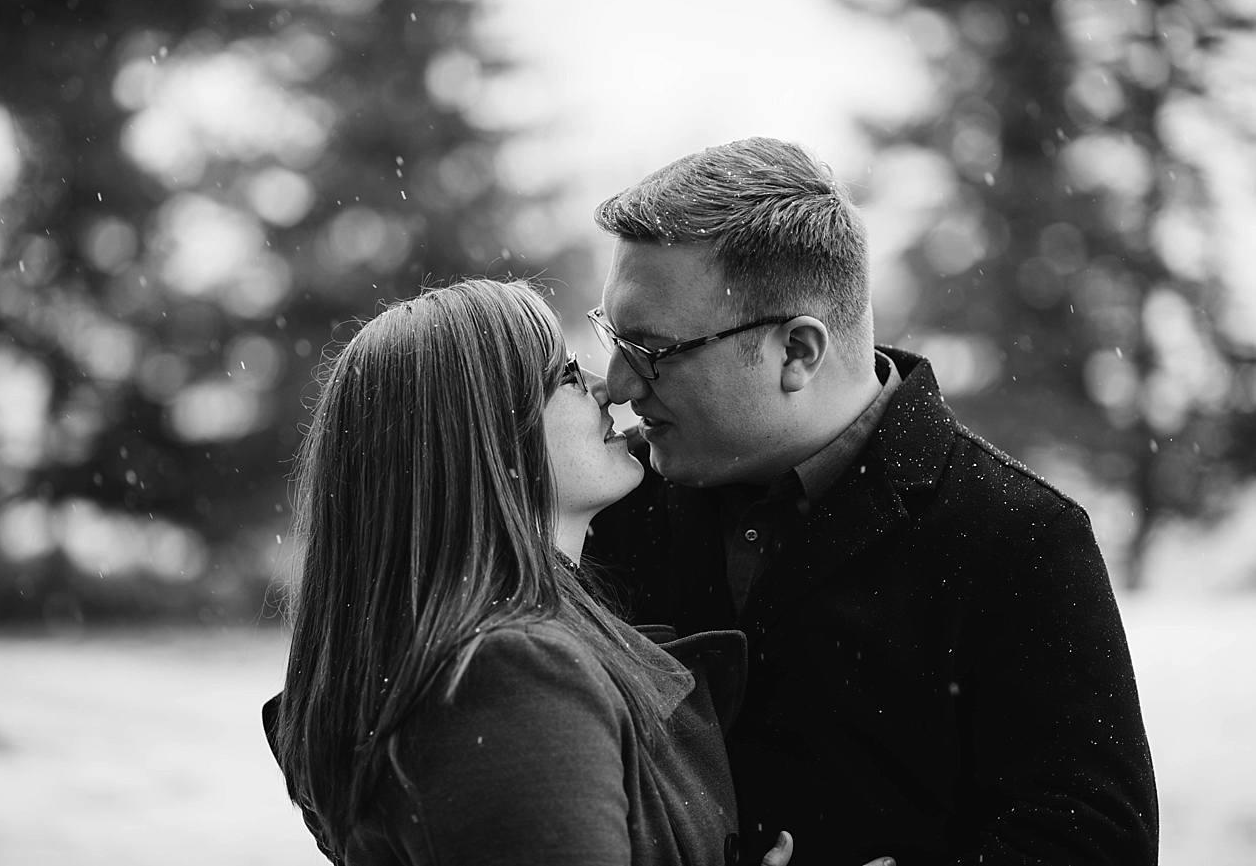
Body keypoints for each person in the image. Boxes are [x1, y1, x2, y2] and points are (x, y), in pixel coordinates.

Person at [584, 137, 1159, 866]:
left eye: (652, 351)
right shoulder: (606, 505)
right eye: (612, 334)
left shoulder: (1022, 538)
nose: (618, 383)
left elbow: (1097, 841)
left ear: (798, 351)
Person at [261, 279, 832, 866]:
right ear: (484, 437)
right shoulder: (509, 673)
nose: (606, 388)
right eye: (564, 375)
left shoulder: (490, 654)